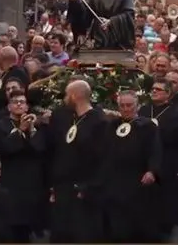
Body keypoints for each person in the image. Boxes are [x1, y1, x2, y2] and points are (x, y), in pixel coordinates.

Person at [48, 80, 108, 242]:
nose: (65, 99)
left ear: (74, 96)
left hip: (85, 189)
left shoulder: (99, 121)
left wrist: (88, 186)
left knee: (84, 233)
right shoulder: (67, 117)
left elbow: (102, 159)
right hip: (63, 187)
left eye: (67, 95)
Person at [101, 91, 162, 242]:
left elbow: (156, 151)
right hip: (114, 181)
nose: (126, 109)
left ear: (138, 106)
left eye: (129, 105)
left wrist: (151, 171)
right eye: (122, 106)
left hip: (138, 181)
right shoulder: (111, 126)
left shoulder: (148, 126)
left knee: (137, 224)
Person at [0, 91, 46, 242]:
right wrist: (20, 130)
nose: (19, 104)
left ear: (27, 106)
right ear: (9, 107)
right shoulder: (0, 126)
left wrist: (32, 129)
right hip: (11, 180)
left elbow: (41, 148)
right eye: (15, 102)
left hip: (31, 183)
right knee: (9, 226)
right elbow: (3, 148)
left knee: (26, 229)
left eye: (22, 102)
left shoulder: (36, 126)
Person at [138, 78, 178, 236]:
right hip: (145, 161)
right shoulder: (144, 110)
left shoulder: (176, 114)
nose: (154, 91)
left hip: (168, 162)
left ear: (168, 94)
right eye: (153, 89)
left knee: (164, 200)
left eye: (158, 89)